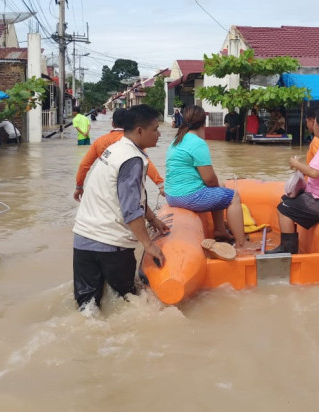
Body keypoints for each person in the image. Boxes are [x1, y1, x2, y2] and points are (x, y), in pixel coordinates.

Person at [72, 104, 170, 309]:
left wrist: (152, 219)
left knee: (87, 306)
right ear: (140, 131)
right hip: (111, 246)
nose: (159, 134)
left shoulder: (114, 149)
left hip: (82, 239)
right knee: (129, 301)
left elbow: (130, 197)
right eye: (155, 129)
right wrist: (149, 245)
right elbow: (130, 209)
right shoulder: (132, 159)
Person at [164, 105, 253, 248]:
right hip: (187, 196)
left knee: (221, 187)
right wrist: (217, 187)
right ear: (203, 123)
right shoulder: (197, 143)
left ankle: (220, 230)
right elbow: (209, 179)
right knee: (233, 197)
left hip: (172, 195)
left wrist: (218, 187)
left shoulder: (177, 140)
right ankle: (242, 243)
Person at [268, 108, 319, 254]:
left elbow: (315, 173)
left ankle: (288, 249)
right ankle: (289, 243)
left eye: (316, 121)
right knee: (286, 199)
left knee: (284, 207)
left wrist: (296, 163)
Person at [73, 108, 165, 202]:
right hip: (128, 189)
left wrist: (79, 186)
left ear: (112, 124)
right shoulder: (135, 141)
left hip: (104, 191)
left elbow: (84, 165)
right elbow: (147, 163)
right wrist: (160, 185)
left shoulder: (99, 141)